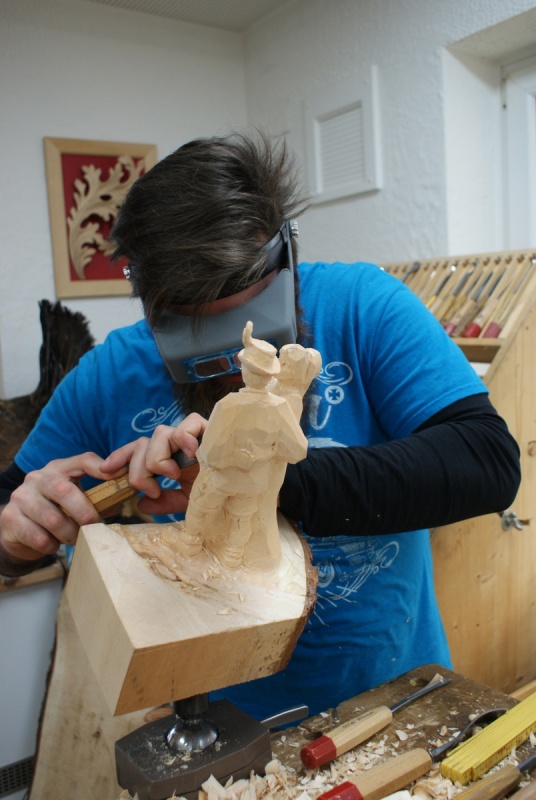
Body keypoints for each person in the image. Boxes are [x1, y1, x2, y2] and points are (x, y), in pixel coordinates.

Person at [0, 132, 520, 721]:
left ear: (286, 258)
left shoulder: (363, 306)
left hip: (393, 700)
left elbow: (487, 462)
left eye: (252, 326)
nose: (231, 364)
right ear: (148, 302)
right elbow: (8, 520)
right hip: (214, 722)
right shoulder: (108, 375)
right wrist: (18, 535)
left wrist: (257, 478)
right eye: (196, 338)